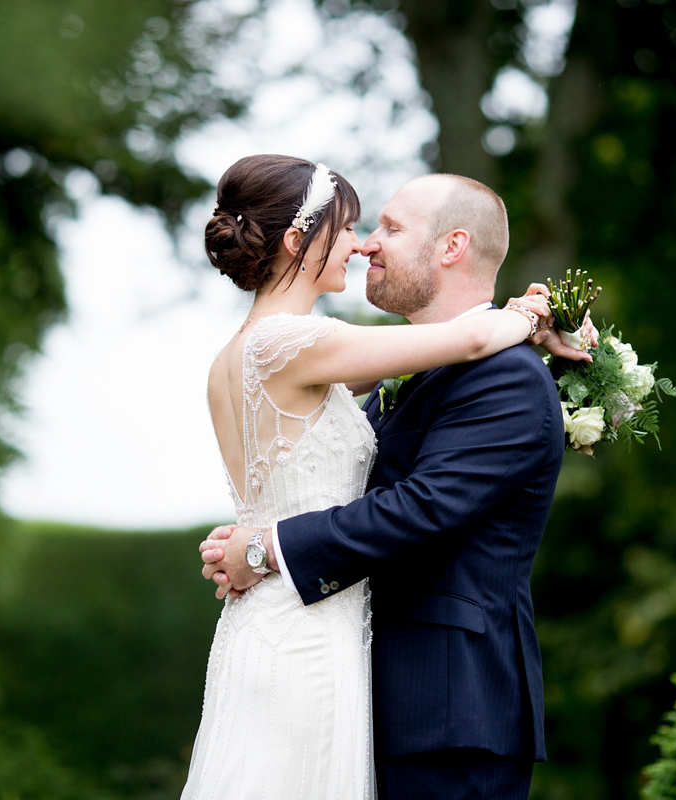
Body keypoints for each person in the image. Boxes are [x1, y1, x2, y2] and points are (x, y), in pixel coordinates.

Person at [184, 154, 584, 800]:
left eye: (389, 228)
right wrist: (531, 317)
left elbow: (419, 505)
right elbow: (466, 346)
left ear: (453, 245)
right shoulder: (320, 351)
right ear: (297, 239)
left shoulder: (499, 375)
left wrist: (263, 547)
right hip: (332, 658)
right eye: (355, 226)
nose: (365, 242)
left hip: (445, 706)